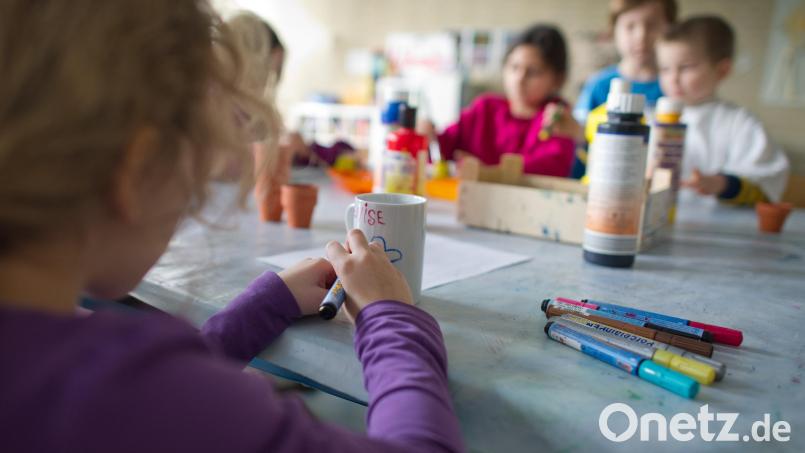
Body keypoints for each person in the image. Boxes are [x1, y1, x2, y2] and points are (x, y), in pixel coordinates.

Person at [0, 1, 464, 452]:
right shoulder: (134, 397)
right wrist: (391, 317)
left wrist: (266, 304)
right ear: (139, 172)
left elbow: (161, 398)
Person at [656, 16, 790, 203]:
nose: (673, 78)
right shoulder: (650, 118)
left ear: (722, 70)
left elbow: (767, 181)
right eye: (664, 69)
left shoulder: (739, 123)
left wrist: (722, 184)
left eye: (686, 67)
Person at [425, 24, 578, 177]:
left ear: (557, 79)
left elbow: (551, 169)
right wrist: (427, 137)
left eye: (533, 72)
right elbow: (441, 147)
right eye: (514, 67)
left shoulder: (558, 120)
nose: (519, 79)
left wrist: (486, 172)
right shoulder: (485, 108)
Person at [571, 0, 677, 179]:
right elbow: (579, 140)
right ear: (614, 31)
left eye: (652, 25)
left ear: (671, 29)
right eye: (630, 26)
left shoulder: (675, 87)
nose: (641, 36)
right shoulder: (599, 85)